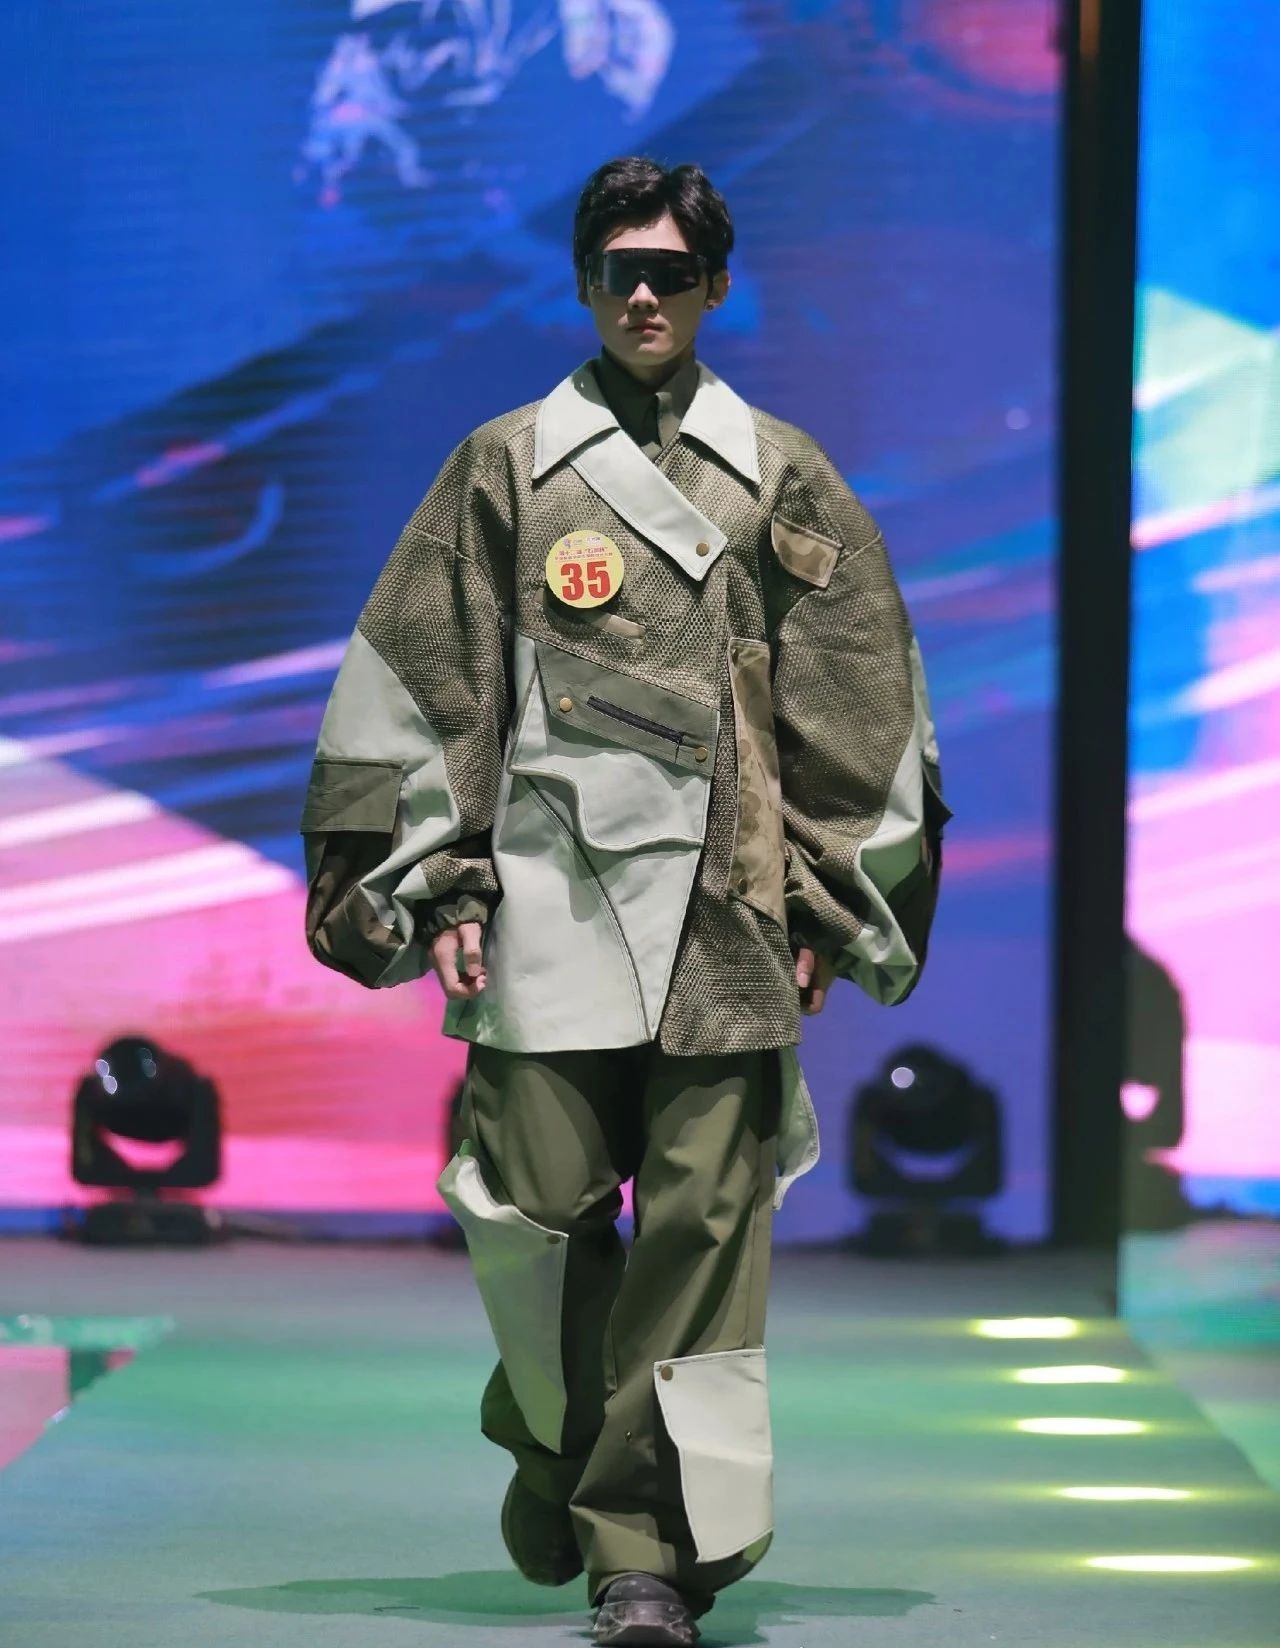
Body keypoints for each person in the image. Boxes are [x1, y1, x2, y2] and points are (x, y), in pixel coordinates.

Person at [300, 155, 950, 1648]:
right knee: (530, 1221)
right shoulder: (507, 464)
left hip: (728, 920)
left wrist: (824, 899)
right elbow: (428, 678)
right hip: (546, 907)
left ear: (716, 286)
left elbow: (858, 694)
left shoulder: (781, 470)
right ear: (585, 284)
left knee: (702, 1238)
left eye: (670, 271)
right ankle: (561, 1452)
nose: (644, 295)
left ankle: (643, 1554)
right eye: (619, 270)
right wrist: (441, 883)